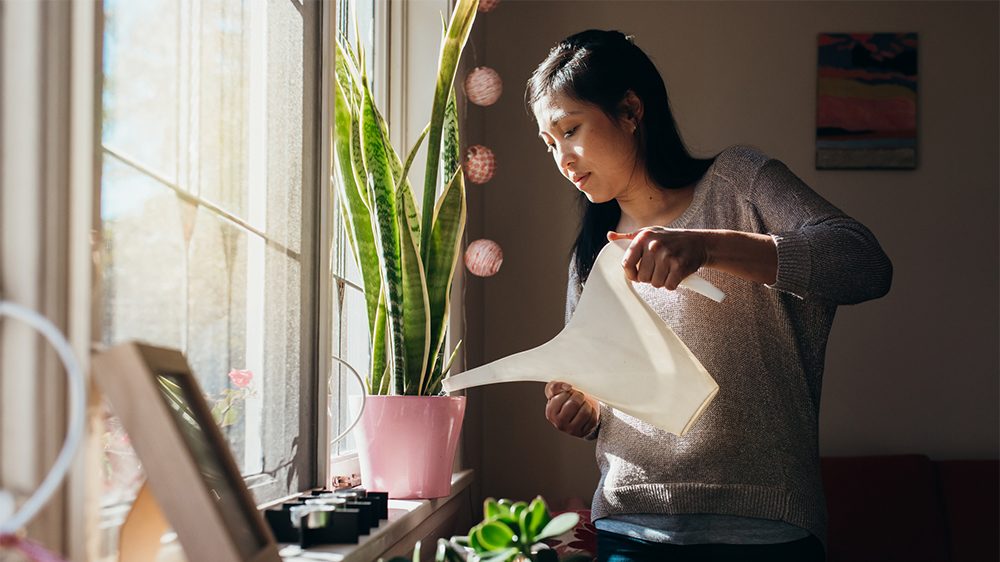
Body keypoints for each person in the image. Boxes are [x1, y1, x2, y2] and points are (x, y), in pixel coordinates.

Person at [528, 30, 892, 562]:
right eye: (549, 143)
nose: (562, 157)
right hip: (629, 527)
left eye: (570, 130)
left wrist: (706, 247)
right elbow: (599, 390)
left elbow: (865, 264)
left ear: (630, 109)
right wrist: (583, 407)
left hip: (766, 528)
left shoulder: (740, 183)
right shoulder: (591, 252)